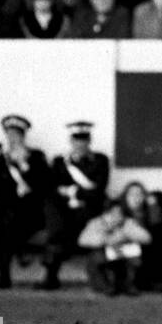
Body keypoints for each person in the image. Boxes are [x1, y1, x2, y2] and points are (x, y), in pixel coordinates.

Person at [0, 115, 51, 289]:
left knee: (9, 225)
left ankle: (4, 271)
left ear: (24, 136)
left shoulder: (36, 157)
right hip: (9, 212)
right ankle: (6, 271)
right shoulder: (1, 159)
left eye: (17, 135)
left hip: (32, 212)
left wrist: (24, 167)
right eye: (10, 134)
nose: (13, 138)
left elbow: (45, 185)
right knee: (7, 224)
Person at [43, 121, 111, 290]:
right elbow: (53, 189)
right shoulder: (60, 162)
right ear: (71, 141)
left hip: (89, 211)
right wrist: (74, 192)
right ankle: (51, 276)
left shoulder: (100, 161)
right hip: (65, 213)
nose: (80, 144)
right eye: (76, 140)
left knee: (66, 228)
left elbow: (98, 191)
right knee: (56, 220)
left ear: (89, 141)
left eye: (84, 140)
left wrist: (71, 191)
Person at [77, 200, 151, 296]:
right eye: (112, 213)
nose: (116, 216)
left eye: (119, 213)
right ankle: (105, 286)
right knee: (97, 258)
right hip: (103, 255)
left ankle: (127, 285)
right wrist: (105, 239)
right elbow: (82, 240)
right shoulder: (96, 223)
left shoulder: (128, 223)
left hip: (122, 256)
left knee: (135, 258)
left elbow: (146, 237)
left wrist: (125, 235)